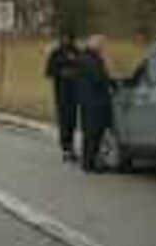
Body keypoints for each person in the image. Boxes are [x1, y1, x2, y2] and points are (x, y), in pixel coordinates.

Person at [76, 34, 114, 173]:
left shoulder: (87, 58)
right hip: (93, 101)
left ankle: (88, 162)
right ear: (95, 45)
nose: (103, 47)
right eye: (101, 45)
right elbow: (98, 78)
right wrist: (105, 64)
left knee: (91, 133)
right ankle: (89, 163)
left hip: (90, 101)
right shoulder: (90, 59)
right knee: (93, 133)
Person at [44, 33, 82, 162]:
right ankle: (66, 148)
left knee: (73, 119)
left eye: (69, 38)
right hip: (61, 91)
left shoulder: (77, 52)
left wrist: (75, 71)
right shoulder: (56, 53)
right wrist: (61, 72)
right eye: (64, 38)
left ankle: (71, 147)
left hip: (75, 91)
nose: (66, 40)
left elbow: (83, 68)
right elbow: (48, 72)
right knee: (64, 119)